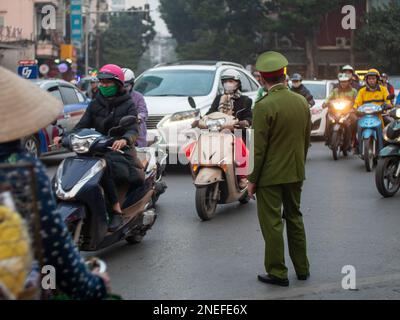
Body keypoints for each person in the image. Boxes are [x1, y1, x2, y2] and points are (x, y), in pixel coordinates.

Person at [0, 66, 109, 299]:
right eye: (102, 82)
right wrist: (94, 286)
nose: (103, 85)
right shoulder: (22, 170)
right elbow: (54, 248)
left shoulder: (122, 102)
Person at [248, 51, 311, 287]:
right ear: (285, 75)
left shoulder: (263, 106)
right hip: (295, 172)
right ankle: (302, 269)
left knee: (273, 223)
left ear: (263, 78)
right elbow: (305, 141)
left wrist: (252, 179)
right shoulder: (301, 101)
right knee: (295, 218)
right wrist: (299, 167)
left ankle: (277, 272)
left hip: (270, 177)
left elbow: (258, 149)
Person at [54, 64, 141, 232]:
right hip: (97, 146)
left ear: (118, 84)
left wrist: (124, 139)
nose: (104, 85)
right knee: (71, 164)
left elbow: (133, 129)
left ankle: (115, 209)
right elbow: (81, 126)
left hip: (119, 150)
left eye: (108, 82)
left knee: (104, 166)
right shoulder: (95, 103)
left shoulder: (129, 103)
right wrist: (65, 137)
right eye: (102, 82)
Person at [192, 69, 252, 189]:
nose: (228, 84)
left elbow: (249, 117)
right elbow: (210, 113)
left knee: (240, 151)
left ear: (237, 83)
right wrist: (200, 120)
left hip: (236, 132)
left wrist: (244, 122)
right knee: (197, 146)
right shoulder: (219, 98)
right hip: (216, 133)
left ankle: (243, 177)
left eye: (231, 81)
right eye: (225, 81)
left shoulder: (245, 100)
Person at [323, 73, 358, 149]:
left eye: (345, 81)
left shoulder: (353, 91)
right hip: (335, 111)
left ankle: (353, 139)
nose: (343, 83)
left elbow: (357, 101)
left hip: (349, 112)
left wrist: (354, 108)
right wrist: (325, 103)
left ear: (349, 82)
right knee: (327, 116)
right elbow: (329, 98)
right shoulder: (335, 91)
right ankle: (327, 137)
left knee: (355, 120)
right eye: (341, 82)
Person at [122, 68, 148, 148]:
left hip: (137, 136)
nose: (123, 88)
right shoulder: (112, 97)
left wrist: (138, 118)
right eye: (120, 86)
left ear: (132, 84)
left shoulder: (138, 97)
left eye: (126, 86)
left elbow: (144, 112)